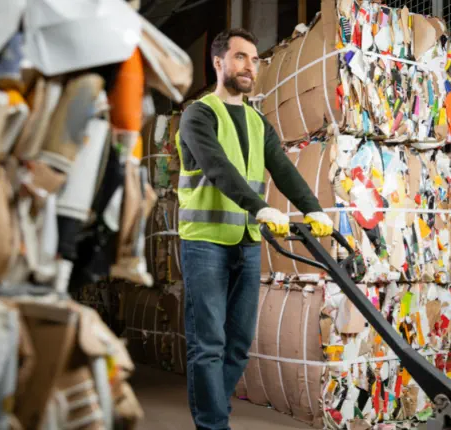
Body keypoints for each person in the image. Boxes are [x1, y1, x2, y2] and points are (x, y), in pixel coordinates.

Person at [175, 28, 334, 429]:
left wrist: (314, 209)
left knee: (239, 344)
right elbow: (217, 169)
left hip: (245, 244)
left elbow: (281, 168)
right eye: (241, 57)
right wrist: (262, 208)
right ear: (218, 62)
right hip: (205, 244)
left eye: (255, 59)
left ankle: (214, 413)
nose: (250, 66)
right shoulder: (199, 114)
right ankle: (213, 424)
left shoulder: (257, 122)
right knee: (207, 344)